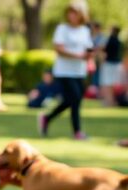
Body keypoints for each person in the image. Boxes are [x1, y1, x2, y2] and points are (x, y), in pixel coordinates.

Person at [40, 0, 92, 140]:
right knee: (74, 98)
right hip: (64, 71)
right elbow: (59, 49)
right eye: (70, 12)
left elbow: (88, 49)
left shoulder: (85, 30)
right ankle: (77, 132)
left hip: (79, 71)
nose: (72, 16)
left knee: (73, 100)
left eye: (75, 13)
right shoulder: (62, 29)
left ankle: (47, 118)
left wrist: (89, 56)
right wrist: (77, 55)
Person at [98, 25, 122, 106]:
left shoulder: (109, 40)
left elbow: (103, 50)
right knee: (112, 83)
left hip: (109, 63)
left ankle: (108, 101)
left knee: (107, 82)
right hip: (116, 64)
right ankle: (111, 100)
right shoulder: (119, 41)